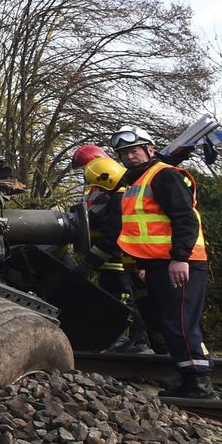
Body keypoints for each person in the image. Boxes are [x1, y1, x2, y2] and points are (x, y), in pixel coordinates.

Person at [107, 125, 214, 398]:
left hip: (179, 262)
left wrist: (180, 258)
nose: (129, 157)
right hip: (157, 263)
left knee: (179, 321)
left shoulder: (164, 176)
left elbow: (185, 219)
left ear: (149, 150)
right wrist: (141, 263)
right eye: (124, 153)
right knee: (169, 321)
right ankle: (190, 378)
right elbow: (140, 228)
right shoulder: (136, 182)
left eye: (134, 151)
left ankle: (199, 384)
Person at [71, 145, 152, 353]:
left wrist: (88, 263)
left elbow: (113, 233)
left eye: (86, 168)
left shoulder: (119, 194)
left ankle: (133, 342)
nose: (85, 174)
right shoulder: (100, 190)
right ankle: (127, 342)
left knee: (122, 299)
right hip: (105, 258)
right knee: (115, 298)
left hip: (116, 258)